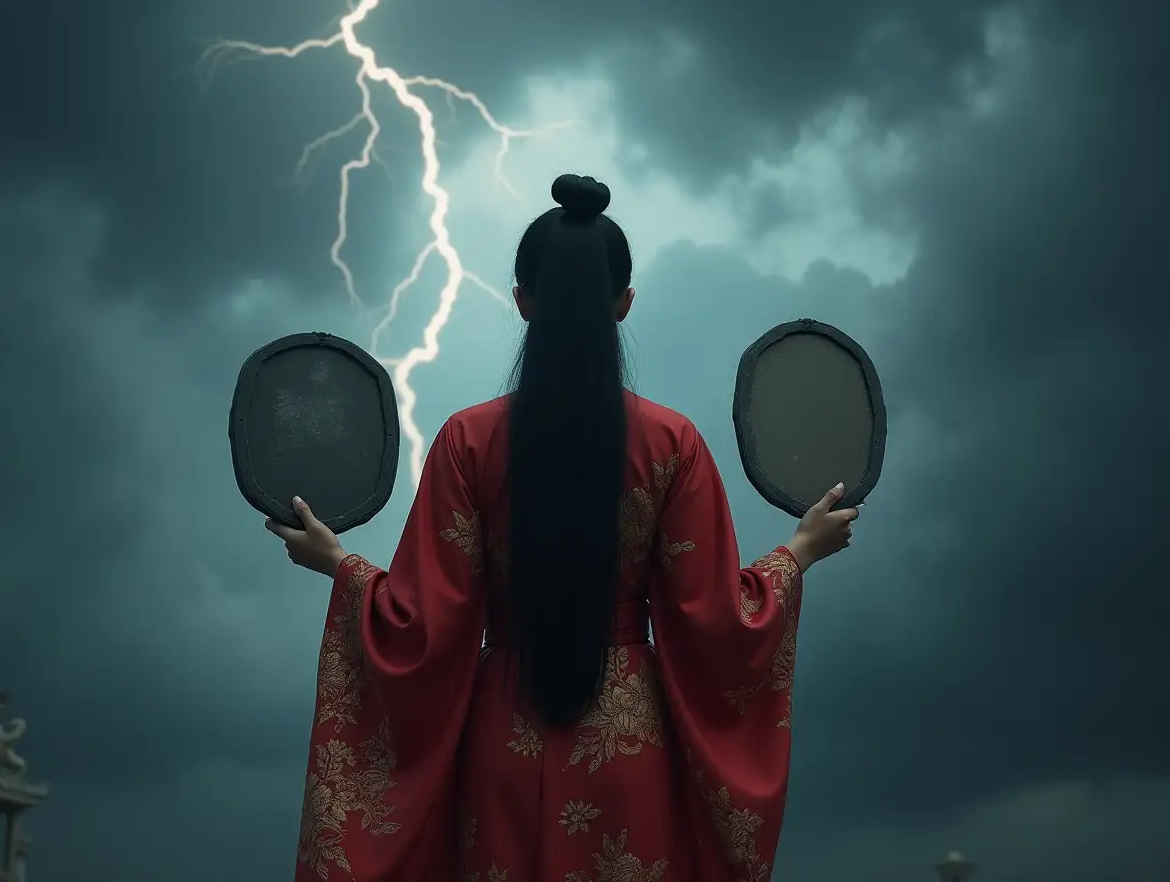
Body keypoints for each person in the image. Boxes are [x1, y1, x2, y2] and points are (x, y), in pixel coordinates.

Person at [265, 174, 860, 882]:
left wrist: (338, 564)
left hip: (501, 743)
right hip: (631, 751)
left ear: (521, 301)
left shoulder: (467, 441)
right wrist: (800, 552)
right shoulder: (673, 444)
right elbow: (716, 621)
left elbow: (424, 620)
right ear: (624, 302)